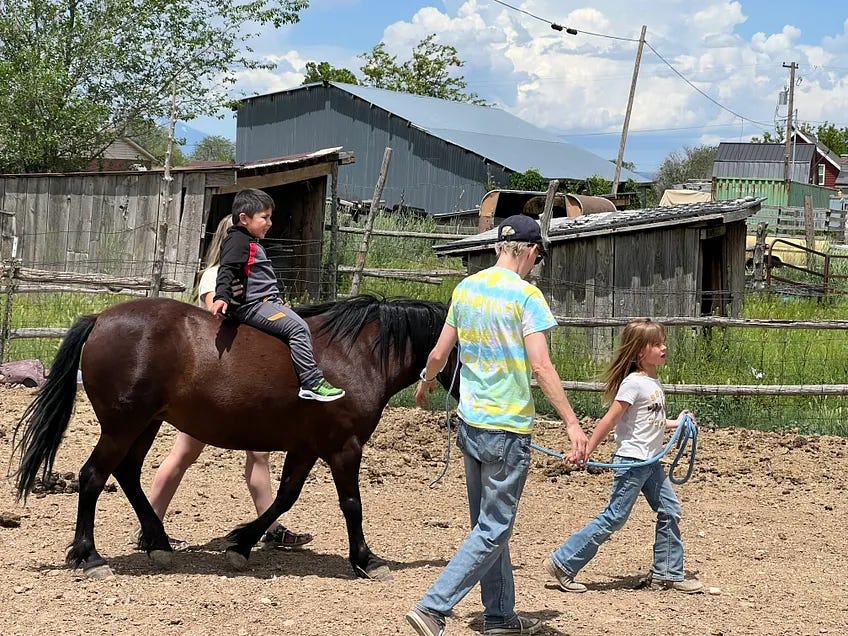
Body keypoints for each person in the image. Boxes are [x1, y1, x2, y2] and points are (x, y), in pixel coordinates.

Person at [406, 214, 589, 636]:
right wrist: (573, 425)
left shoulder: (466, 288)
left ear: (497, 248)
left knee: (487, 526)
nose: (535, 264)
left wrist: (426, 382)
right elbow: (541, 367)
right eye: (537, 256)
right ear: (528, 251)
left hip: (471, 424)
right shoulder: (526, 296)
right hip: (507, 430)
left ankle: (500, 616)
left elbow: (438, 352)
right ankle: (434, 607)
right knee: (493, 528)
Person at [140, 216, 313, 551]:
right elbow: (212, 326)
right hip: (211, 385)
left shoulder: (248, 277)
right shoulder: (215, 276)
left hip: (246, 382)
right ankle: (150, 524)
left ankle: (272, 527)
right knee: (183, 454)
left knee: (259, 454)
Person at [544, 318, 704, 594]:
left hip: (650, 461)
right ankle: (563, 562)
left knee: (670, 510)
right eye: (656, 344)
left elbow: (650, 421)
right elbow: (610, 419)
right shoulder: (633, 384)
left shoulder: (651, 381)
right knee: (614, 517)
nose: (664, 347)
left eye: (662, 341)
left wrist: (677, 423)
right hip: (633, 462)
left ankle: (667, 572)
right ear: (640, 352)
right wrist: (586, 449)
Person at [210, 188, 344, 402]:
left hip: (264, 302)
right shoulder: (238, 242)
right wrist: (222, 296)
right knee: (298, 328)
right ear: (244, 219)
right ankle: (311, 382)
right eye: (264, 217)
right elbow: (227, 269)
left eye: (270, 217)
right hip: (254, 306)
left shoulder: (249, 242)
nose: (270, 222)